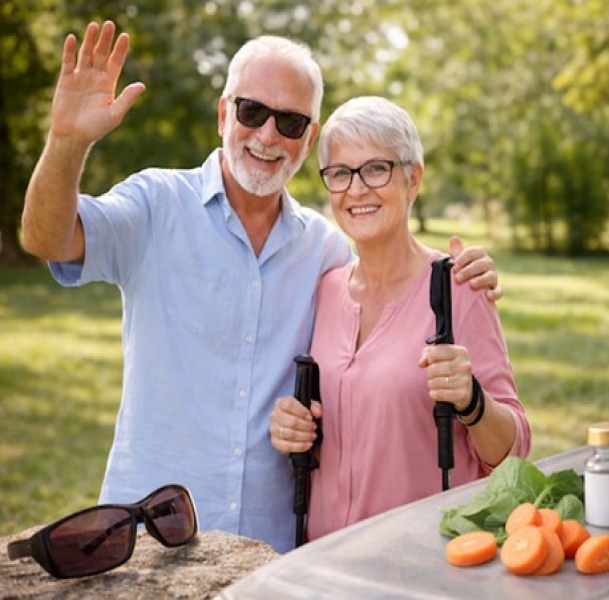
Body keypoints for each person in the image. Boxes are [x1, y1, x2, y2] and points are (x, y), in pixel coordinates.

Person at [19, 22, 501, 554]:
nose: (268, 136)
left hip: (272, 556)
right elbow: (48, 238)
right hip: (150, 537)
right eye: (252, 112)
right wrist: (66, 141)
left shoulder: (326, 252)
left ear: (309, 139)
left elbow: (394, 293)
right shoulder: (157, 205)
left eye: (290, 122)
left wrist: (465, 275)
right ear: (225, 113)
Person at [269, 96, 531, 541]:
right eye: (340, 173)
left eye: (376, 168)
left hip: (421, 567)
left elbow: (513, 452)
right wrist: (289, 425)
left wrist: (471, 400)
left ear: (413, 179)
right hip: (325, 566)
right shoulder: (324, 290)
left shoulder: (460, 290)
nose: (356, 190)